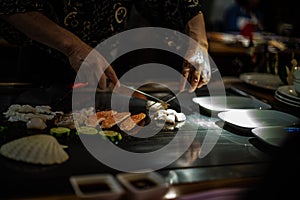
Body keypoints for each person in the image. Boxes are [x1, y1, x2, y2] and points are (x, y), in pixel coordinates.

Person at [0, 0, 210, 93]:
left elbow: (183, 4)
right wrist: (73, 48)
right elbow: (13, 5)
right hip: (43, 64)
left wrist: (198, 41)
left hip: (107, 66)